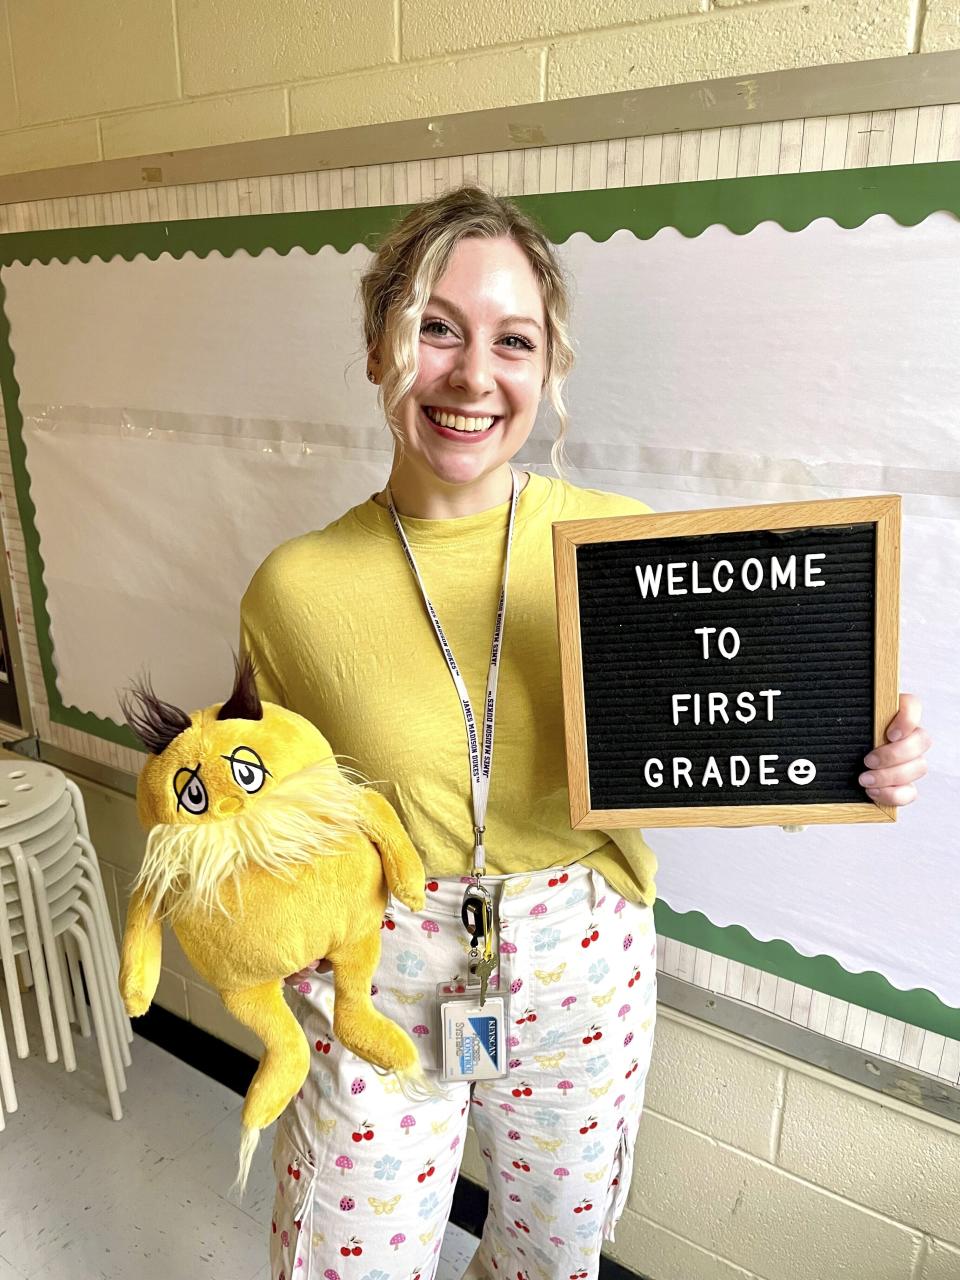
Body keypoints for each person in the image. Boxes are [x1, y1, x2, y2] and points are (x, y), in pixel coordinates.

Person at [239, 184, 932, 1280]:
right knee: (344, 1258)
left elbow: (740, 741)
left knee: (551, 1259)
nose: (474, 374)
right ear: (379, 347)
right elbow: (253, 789)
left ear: (548, 364)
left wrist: (859, 751)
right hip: (378, 964)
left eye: (513, 339)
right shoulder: (293, 588)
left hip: (580, 966)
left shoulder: (626, 553)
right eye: (435, 327)